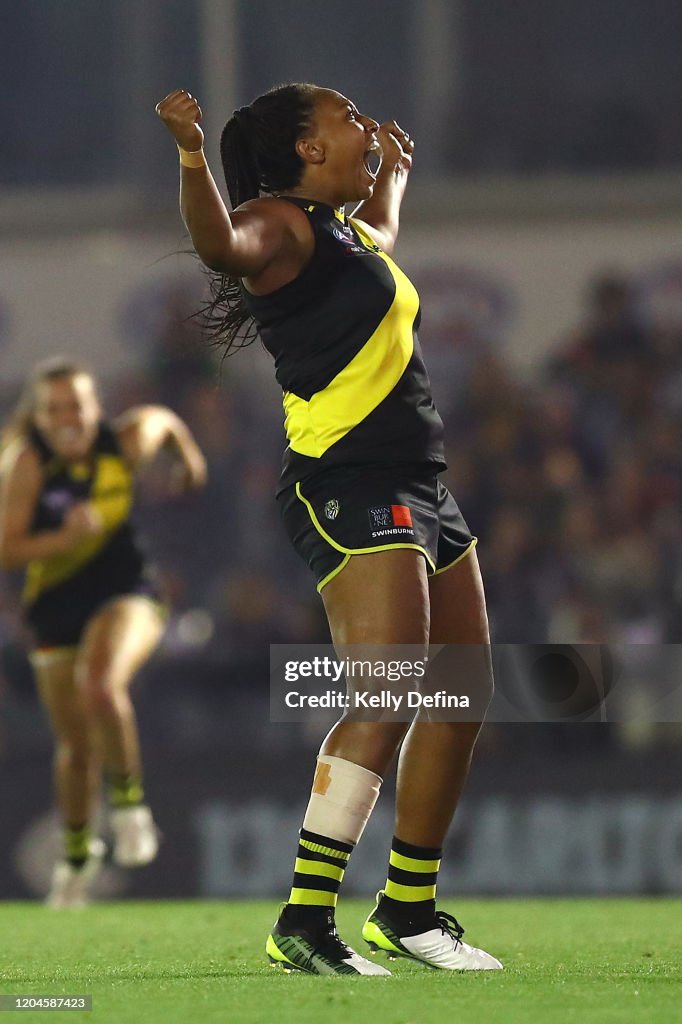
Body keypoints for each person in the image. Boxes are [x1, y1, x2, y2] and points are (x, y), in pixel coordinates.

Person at [156, 84, 502, 974]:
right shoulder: (275, 223)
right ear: (307, 150)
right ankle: (304, 923)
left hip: (423, 487)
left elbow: (379, 244)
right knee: (386, 696)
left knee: (459, 699)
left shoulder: (339, 232)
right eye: (345, 118)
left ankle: (409, 911)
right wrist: (193, 157)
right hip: (349, 483)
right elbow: (220, 245)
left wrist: (393, 183)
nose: (362, 125)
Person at [0, 359, 207, 907]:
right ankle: (75, 859)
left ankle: (130, 811)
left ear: (98, 409)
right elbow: (6, 547)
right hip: (54, 605)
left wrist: (187, 459)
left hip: (128, 589)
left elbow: (163, 419)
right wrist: (62, 540)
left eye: (79, 406)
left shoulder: (124, 443)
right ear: (38, 417)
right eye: (55, 409)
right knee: (74, 745)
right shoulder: (25, 464)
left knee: (101, 685)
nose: (68, 418)